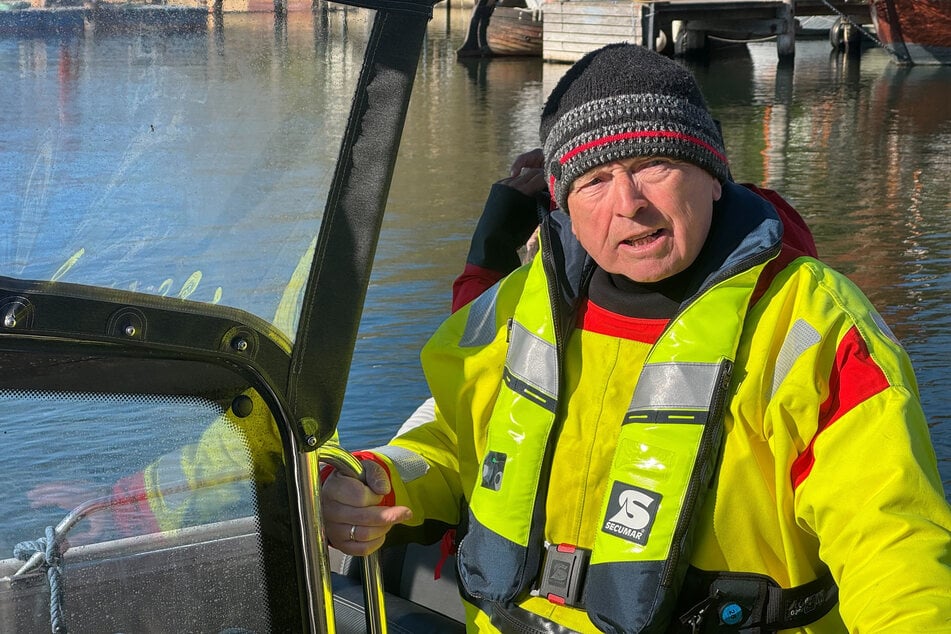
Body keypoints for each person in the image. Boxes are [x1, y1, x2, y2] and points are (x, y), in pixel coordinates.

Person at [314, 43, 951, 632]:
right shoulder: (514, 305)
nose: (628, 204)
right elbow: (454, 442)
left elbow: (893, 543)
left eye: (654, 166)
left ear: (712, 173)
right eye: (595, 181)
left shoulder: (814, 324)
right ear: (561, 201)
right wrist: (378, 480)